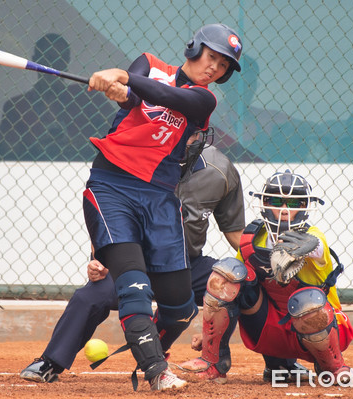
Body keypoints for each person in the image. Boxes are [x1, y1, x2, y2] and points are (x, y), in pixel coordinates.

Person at [76, 23, 243, 391]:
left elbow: (167, 97)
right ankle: (155, 370)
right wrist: (121, 91)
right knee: (134, 286)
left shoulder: (204, 100)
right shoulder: (150, 65)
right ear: (193, 49)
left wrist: (123, 79)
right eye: (210, 56)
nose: (214, 67)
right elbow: (134, 97)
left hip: (161, 200)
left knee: (180, 308)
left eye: (223, 65)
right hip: (112, 187)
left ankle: (151, 350)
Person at [19, 141, 245, 385]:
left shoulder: (219, 169)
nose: (185, 135)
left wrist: (259, 258)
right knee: (90, 297)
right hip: (131, 261)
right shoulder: (133, 156)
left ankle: (275, 363)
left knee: (242, 284)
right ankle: (51, 361)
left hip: (184, 264)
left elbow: (235, 231)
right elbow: (106, 213)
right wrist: (99, 259)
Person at [179, 170, 353, 384]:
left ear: (305, 207)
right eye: (276, 201)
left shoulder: (314, 237)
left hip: (324, 329)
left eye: (293, 203)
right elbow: (230, 290)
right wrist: (209, 337)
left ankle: (333, 368)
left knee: (306, 301)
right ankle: (217, 362)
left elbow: (317, 247)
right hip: (267, 329)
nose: (283, 210)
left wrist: (302, 248)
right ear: (264, 203)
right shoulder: (251, 239)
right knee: (226, 274)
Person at [0, 33, 115, 161]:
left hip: (81, 164)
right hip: (32, 166)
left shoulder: (87, 98)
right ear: (35, 61)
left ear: (66, 61)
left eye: (59, 61)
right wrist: (34, 145)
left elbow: (115, 129)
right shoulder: (18, 106)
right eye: (46, 59)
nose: (52, 66)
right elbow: (8, 149)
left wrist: (81, 142)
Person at [210, 54, 290, 163]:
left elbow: (299, 125)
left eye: (250, 83)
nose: (246, 90)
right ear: (225, 85)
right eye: (240, 84)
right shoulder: (211, 117)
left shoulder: (266, 117)